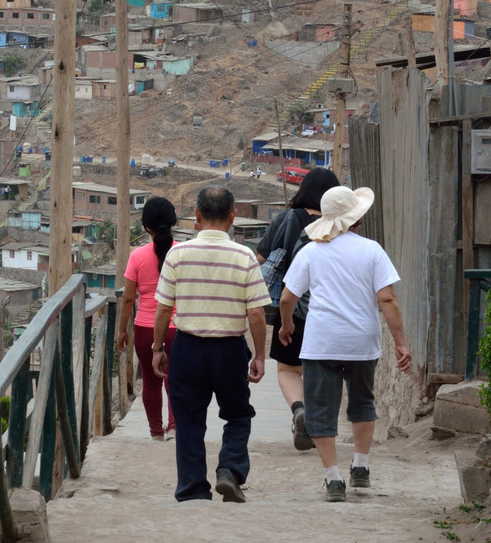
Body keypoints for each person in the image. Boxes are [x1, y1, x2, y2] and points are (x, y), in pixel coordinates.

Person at [278, 186, 412, 503]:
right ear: (357, 217)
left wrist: (287, 325)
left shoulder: (311, 251)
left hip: (321, 342)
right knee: (362, 402)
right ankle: (361, 466)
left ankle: (334, 479)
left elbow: (287, 297)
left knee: (321, 412)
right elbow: (388, 299)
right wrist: (400, 343)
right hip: (362, 342)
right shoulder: (372, 251)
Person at [153, 186, 270, 503]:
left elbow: (163, 308)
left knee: (189, 420)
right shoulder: (245, 256)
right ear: (233, 217)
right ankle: (230, 470)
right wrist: (259, 355)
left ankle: (192, 489)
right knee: (237, 414)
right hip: (229, 350)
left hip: (188, 348)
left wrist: (158, 349)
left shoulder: (177, 255)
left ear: (197, 217)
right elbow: (256, 312)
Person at [254, 167, 340, 451]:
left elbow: (261, 256)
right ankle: (315, 424)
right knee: (324, 370)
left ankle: (299, 409)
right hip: (335, 310)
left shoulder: (289, 218)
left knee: (289, 370)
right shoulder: (343, 223)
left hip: (294, 306)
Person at [117, 197, 178, 441]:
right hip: (178, 328)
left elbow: (128, 299)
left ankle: (156, 433)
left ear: (146, 227)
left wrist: (122, 330)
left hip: (145, 328)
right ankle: (174, 428)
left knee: (151, 382)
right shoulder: (183, 252)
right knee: (175, 380)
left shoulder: (137, 256)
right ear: (172, 222)